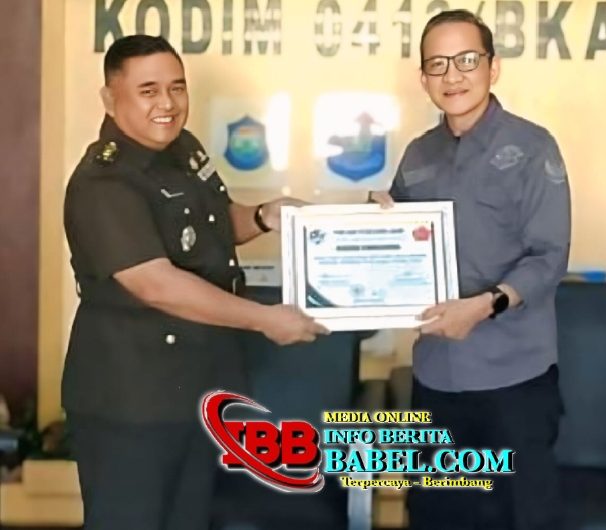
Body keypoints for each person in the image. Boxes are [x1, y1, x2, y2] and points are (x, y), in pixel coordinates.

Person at [63, 35, 327, 530]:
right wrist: (265, 319)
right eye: (148, 90)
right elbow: (155, 283)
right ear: (110, 99)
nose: (167, 103)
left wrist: (264, 215)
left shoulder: (183, 149)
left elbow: (212, 226)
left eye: (177, 87)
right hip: (132, 401)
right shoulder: (104, 182)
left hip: (198, 389)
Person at [371, 9, 571, 530]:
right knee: (438, 515)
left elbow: (550, 257)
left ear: (492, 67)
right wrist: (374, 224)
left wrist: (485, 305)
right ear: (423, 78)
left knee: (521, 517)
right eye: (437, 64)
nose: (452, 75)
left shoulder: (533, 147)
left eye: (466, 60)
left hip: (515, 378)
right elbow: (397, 247)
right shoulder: (418, 154)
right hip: (436, 377)